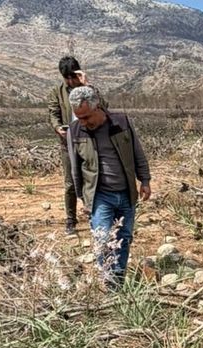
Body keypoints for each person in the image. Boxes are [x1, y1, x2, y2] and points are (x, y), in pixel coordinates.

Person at [68, 86, 151, 287]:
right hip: (99, 196)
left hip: (126, 193)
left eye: (87, 117)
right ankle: (107, 282)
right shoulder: (75, 130)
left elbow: (136, 152)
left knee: (123, 239)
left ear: (98, 108)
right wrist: (83, 199)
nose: (84, 122)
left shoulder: (120, 122)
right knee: (102, 240)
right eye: (80, 118)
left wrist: (145, 180)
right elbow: (75, 168)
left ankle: (118, 282)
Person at [47, 56, 107, 235]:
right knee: (70, 183)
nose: (71, 81)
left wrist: (87, 86)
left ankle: (94, 216)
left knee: (93, 179)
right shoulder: (57, 92)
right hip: (69, 143)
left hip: (91, 142)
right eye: (67, 78)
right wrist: (58, 128)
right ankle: (70, 220)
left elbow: (104, 107)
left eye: (74, 76)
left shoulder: (89, 91)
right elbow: (53, 113)